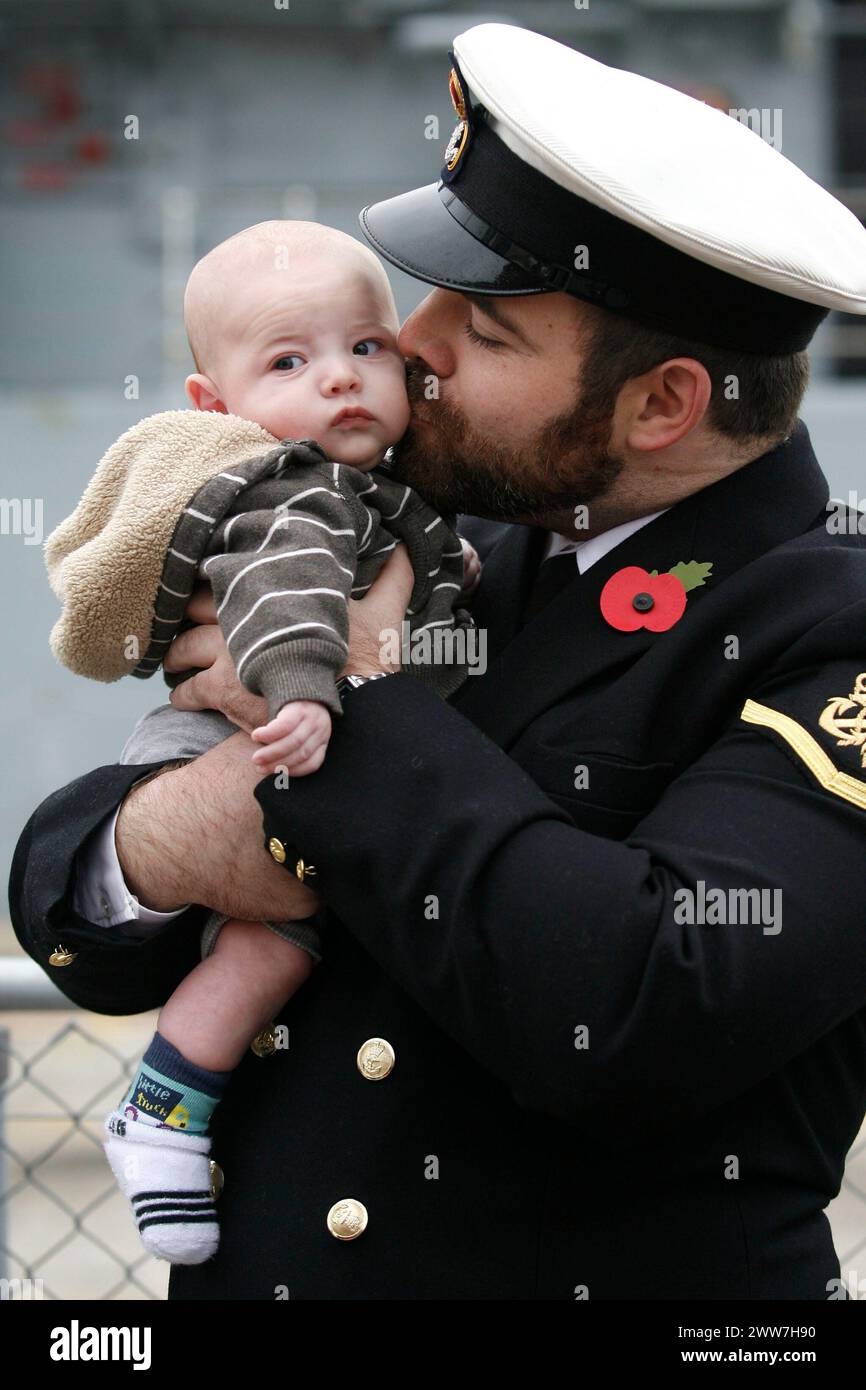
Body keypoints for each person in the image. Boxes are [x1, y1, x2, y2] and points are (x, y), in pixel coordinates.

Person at [11, 22, 866, 1299]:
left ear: (660, 405)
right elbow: (66, 900)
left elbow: (644, 1009)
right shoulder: (441, 538)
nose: (411, 344)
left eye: (486, 325)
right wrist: (157, 845)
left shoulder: (823, 623)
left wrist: (343, 707)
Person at [40, 218, 479, 1265]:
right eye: (290, 360)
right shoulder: (289, 486)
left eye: (366, 348)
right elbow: (284, 594)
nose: (339, 380)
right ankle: (163, 1104)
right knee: (270, 940)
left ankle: (170, 1106)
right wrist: (309, 693)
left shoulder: (386, 489)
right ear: (213, 405)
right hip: (233, 740)